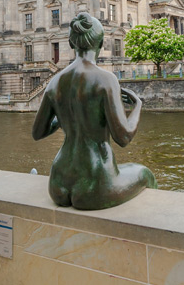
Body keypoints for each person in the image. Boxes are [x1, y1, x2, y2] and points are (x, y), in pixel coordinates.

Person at [33, 12, 156, 210]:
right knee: (144, 173)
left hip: (58, 182)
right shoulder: (105, 79)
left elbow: (37, 133)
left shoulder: (54, 82)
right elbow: (123, 137)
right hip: (95, 182)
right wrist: (138, 106)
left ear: (72, 44)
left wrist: (64, 114)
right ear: (100, 45)